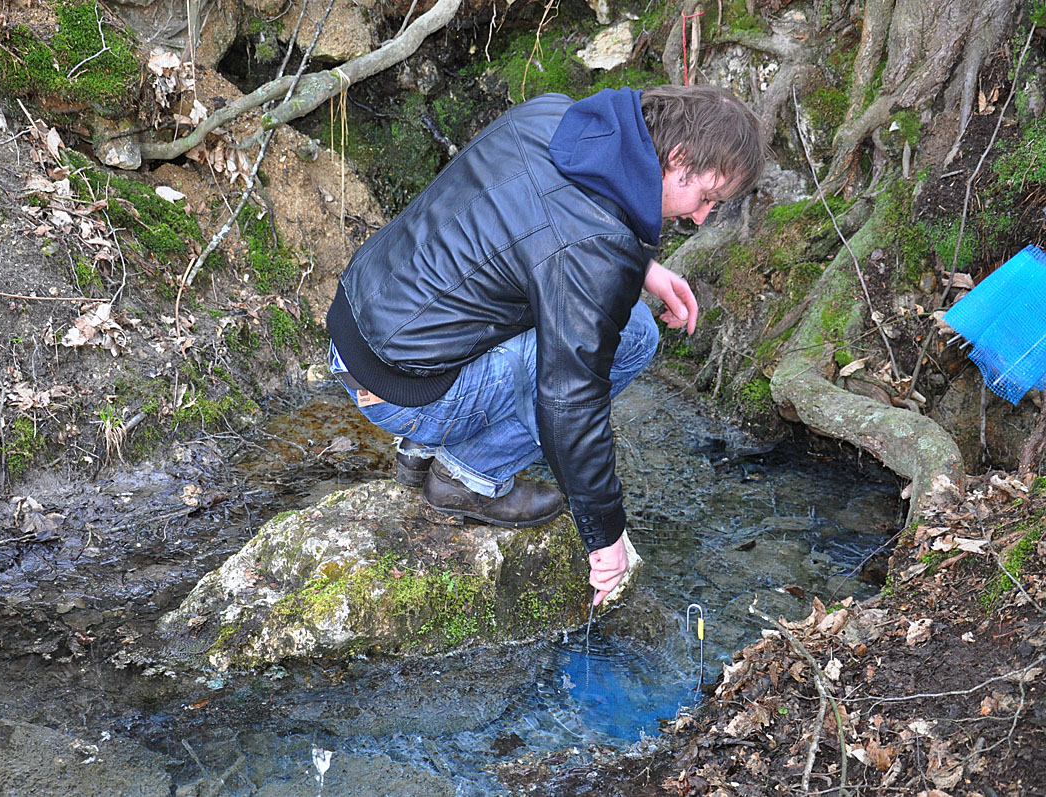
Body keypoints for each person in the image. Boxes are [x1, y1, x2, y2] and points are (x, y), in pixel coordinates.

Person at [326, 84, 765, 605]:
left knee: (616, 325)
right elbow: (569, 403)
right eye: (707, 198)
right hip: (408, 390)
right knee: (632, 341)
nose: (700, 218)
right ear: (679, 158)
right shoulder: (595, 246)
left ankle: (425, 446)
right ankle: (467, 474)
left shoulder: (560, 115)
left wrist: (641, 268)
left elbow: (533, 220)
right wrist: (604, 537)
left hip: (358, 326)